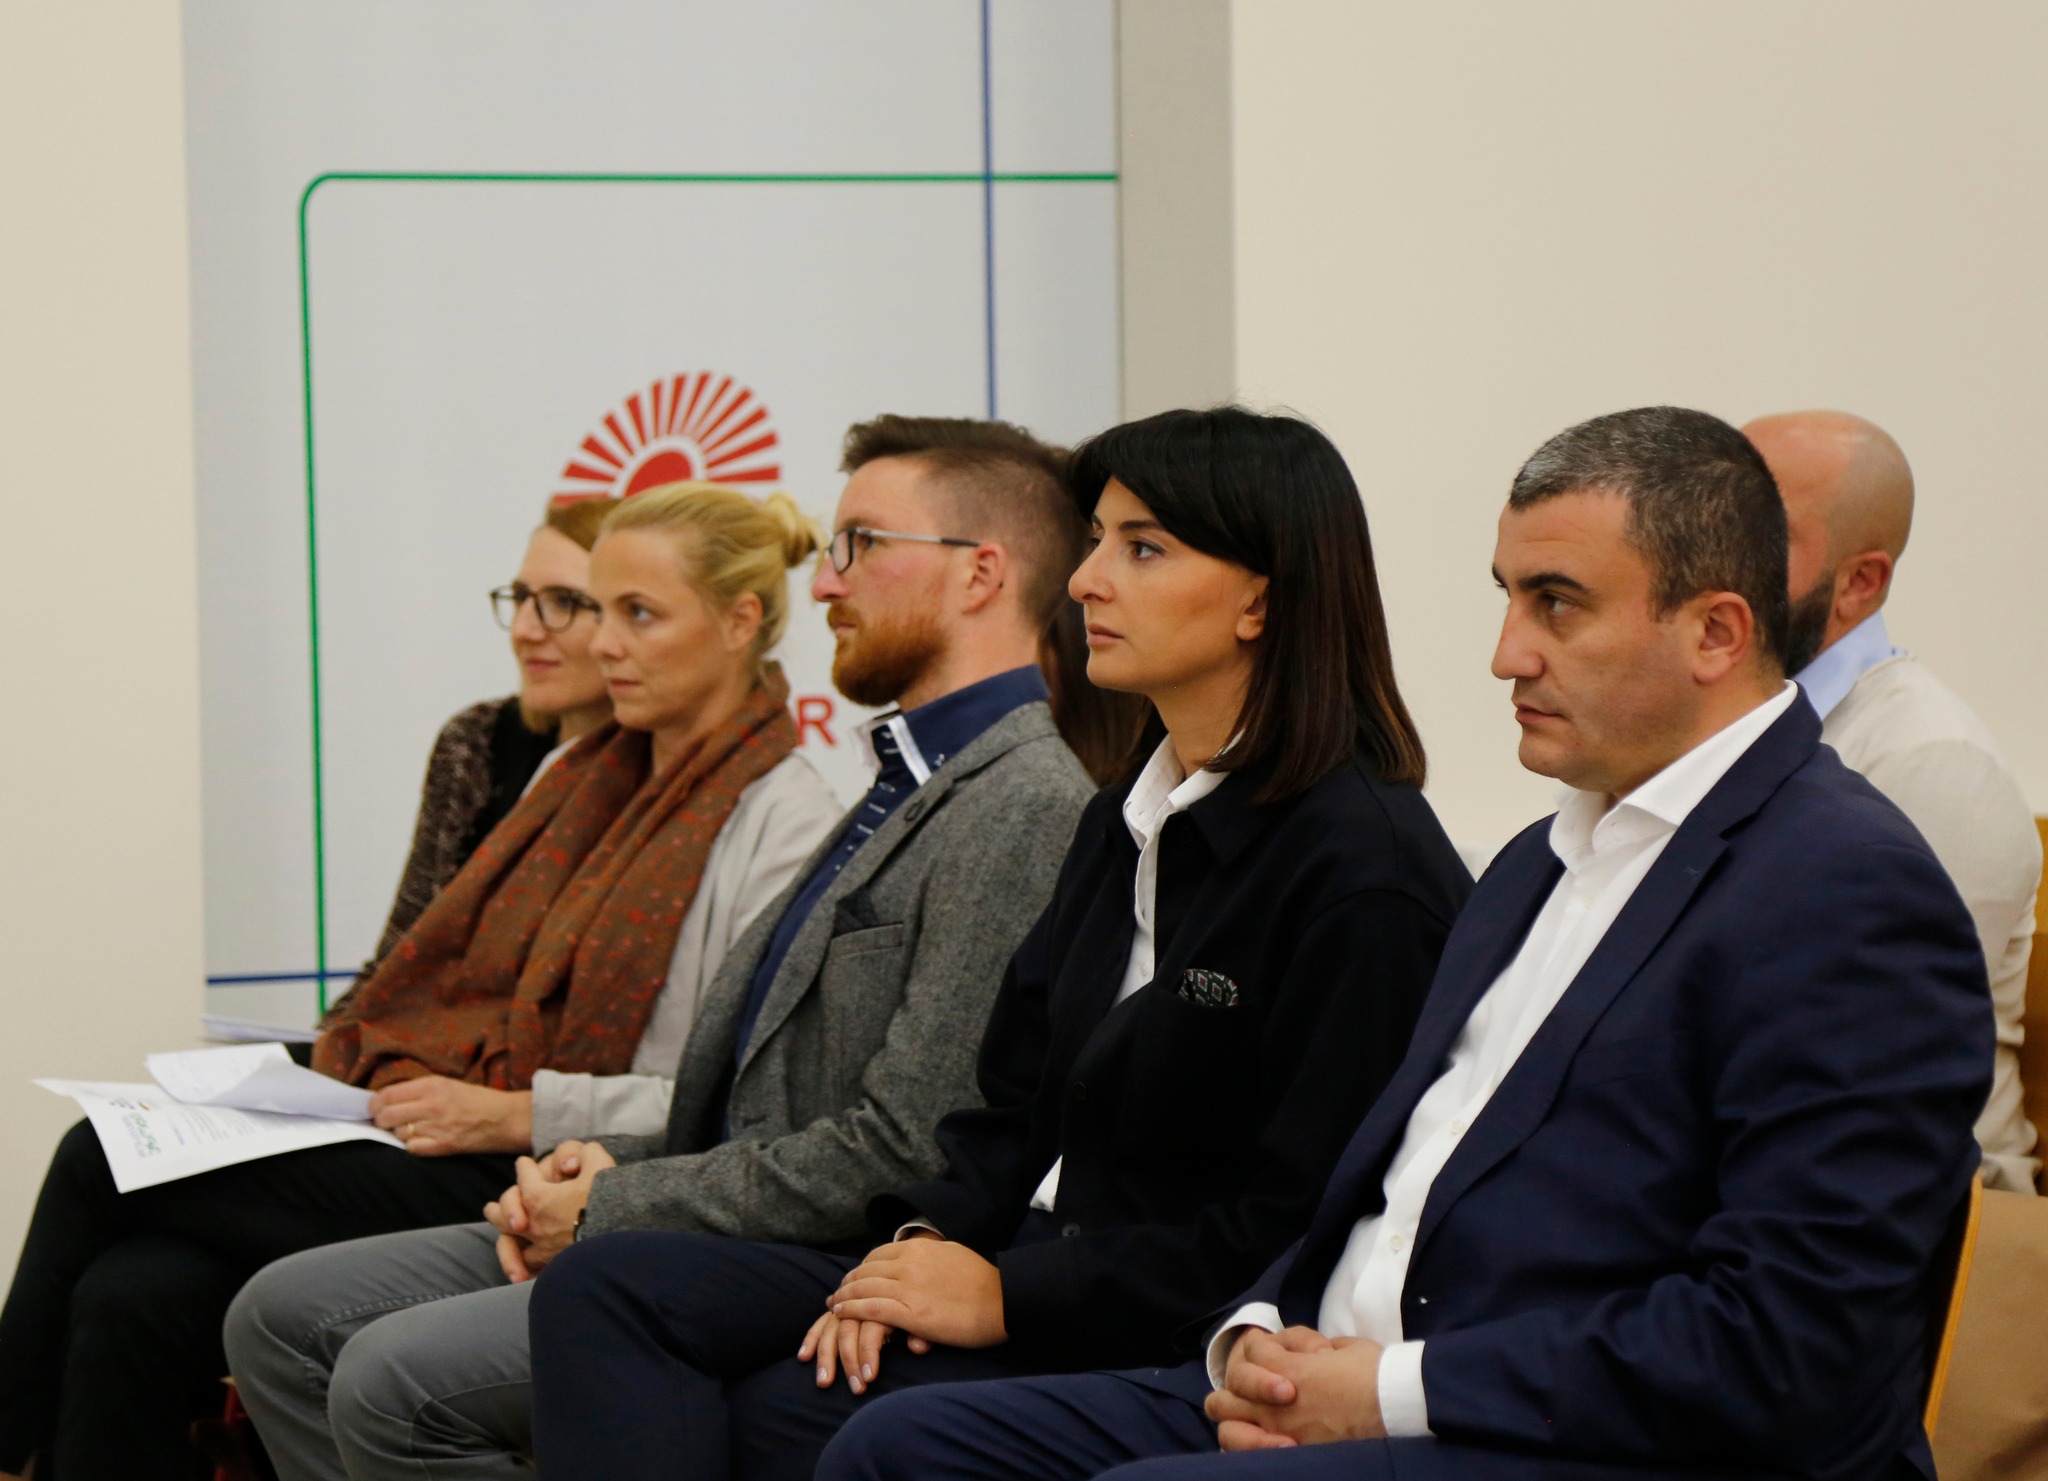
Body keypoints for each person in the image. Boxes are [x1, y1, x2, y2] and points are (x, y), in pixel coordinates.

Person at [814, 406, 1994, 1481]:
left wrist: (1384, 1389)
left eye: (1556, 603)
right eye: (1506, 596)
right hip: (1361, 1375)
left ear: (1714, 631)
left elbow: (1788, 1343)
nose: (1505, 652)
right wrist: (1257, 1339)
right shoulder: (1538, 860)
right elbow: (1369, 1189)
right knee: (898, 1450)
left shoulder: (1842, 888)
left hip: (1575, 1431)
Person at [523, 406, 1475, 1481]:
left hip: (1171, 1323)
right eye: (1096, 541)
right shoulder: (1124, 815)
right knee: (606, 1288)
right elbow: (1006, 1107)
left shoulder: (1363, 870)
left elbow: (1298, 1221)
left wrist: (1005, 1294)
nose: (1085, 580)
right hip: (1019, 1256)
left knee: (786, 1415)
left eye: (1142, 549)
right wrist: (921, 1246)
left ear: (1259, 598)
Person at [223, 415, 1102, 1480]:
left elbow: (904, 1150)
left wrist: (615, 1200)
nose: (825, 582)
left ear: (981, 573)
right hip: (703, 1199)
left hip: (804, 1247)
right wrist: (612, 1165)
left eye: (860, 544)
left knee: (390, 1377)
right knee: (279, 1315)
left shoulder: (1021, 802)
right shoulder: (907, 780)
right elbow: (758, 1091)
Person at [0, 482, 844, 1481]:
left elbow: (734, 1104)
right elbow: (446, 981)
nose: (602, 642)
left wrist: (511, 1111)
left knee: (101, 1156)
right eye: (597, 609)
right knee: (133, 1291)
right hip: (462, 1117)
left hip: (564, 1162)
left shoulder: (788, 823)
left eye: (636, 613)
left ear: (739, 621)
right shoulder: (575, 774)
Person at [1745, 409, 2041, 1192]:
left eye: (1758, 531)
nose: (1710, 555)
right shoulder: (1715, 727)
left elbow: (1869, 1062)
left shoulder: (1932, 763)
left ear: (1860, 582)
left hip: (1930, 1219)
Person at [365, 495, 614, 966]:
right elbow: (401, 961)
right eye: (521, 599)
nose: (524, 630)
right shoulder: (477, 740)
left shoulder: (668, 769)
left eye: (563, 602)